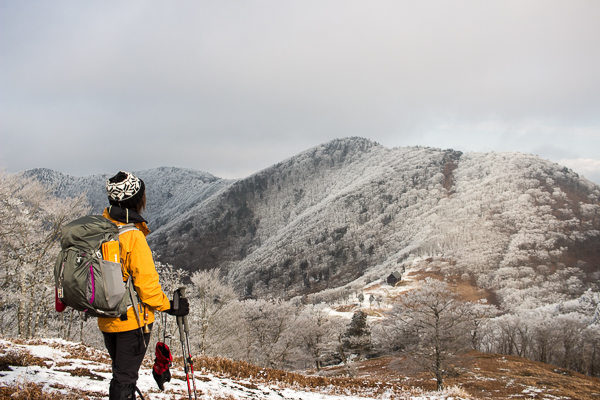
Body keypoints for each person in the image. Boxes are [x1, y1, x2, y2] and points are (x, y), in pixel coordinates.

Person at [100, 171, 189, 400]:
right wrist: (169, 306)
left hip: (107, 316)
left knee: (120, 373)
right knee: (124, 379)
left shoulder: (102, 227)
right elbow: (147, 287)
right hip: (132, 321)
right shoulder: (132, 237)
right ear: (136, 200)